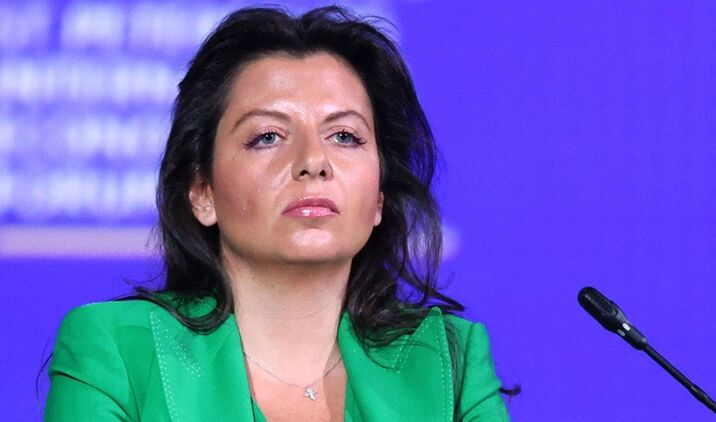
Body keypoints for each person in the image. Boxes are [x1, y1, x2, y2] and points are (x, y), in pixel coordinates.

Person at [45, 6, 512, 421]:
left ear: (379, 199)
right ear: (202, 191)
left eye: (345, 136)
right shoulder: (118, 352)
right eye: (267, 136)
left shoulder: (447, 362)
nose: (313, 161)